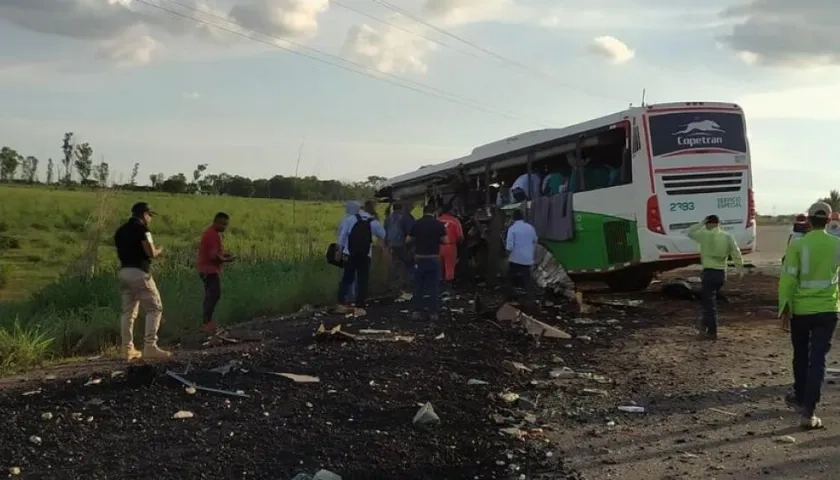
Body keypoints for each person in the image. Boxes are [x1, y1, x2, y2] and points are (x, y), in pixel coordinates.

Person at [779, 202, 840, 429]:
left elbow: (788, 278)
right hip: (828, 309)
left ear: (809, 220)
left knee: (801, 355)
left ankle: (800, 396)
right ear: (829, 221)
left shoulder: (797, 245)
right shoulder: (837, 245)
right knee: (818, 359)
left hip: (802, 310)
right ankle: (809, 411)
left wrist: (784, 307)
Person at [113, 202, 170, 360]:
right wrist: (159, 250)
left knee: (128, 312)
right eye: (150, 215)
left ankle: (127, 349)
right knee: (155, 308)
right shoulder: (143, 230)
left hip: (124, 272)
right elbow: (150, 252)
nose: (150, 218)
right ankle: (150, 346)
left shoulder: (120, 231)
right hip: (139, 272)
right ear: (144, 214)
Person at [686, 214, 744, 340]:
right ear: (719, 223)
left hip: (709, 273)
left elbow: (689, 232)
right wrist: (740, 269)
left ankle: (712, 331)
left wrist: (701, 223)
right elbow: (736, 252)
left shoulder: (703, 235)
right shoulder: (727, 236)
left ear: (708, 223)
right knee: (709, 302)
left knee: (709, 305)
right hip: (721, 274)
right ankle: (703, 328)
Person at [336, 201, 386, 314]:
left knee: (347, 278)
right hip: (365, 255)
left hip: (349, 254)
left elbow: (342, 235)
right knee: (363, 279)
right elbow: (383, 235)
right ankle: (359, 306)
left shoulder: (351, 219)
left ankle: (341, 303)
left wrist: (339, 251)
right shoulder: (373, 222)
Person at [196, 212, 236, 333]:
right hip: (209, 270)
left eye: (226, 224)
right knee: (213, 295)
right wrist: (227, 259)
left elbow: (214, 253)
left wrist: (224, 255)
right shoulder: (212, 235)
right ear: (216, 222)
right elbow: (213, 257)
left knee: (211, 295)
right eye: (223, 224)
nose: (225, 227)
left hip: (206, 269)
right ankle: (207, 322)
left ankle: (207, 322)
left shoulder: (211, 233)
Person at [407, 204, 447, 321]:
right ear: (434, 213)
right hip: (433, 258)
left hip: (419, 258)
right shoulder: (439, 224)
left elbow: (408, 240)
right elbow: (445, 240)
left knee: (418, 286)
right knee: (433, 287)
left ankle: (417, 311)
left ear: (423, 212)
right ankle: (433, 313)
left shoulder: (416, 224)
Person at [505, 209, 538, 304]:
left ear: (513, 218)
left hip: (515, 259)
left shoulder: (512, 229)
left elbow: (509, 246)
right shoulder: (530, 228)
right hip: (527, 259)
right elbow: (535, 240)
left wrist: (507, 255)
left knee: (510, 278)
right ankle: (530, 299)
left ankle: (510, 298)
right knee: (527, 279)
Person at [384, 202, 415, 293]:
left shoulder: (388, 218)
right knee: (409, 265)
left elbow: (385, 233)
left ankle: (396, 286)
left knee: (396, 265)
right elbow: (412, 232)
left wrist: (387, 245)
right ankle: (409, 286)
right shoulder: (406, 217)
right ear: (402, 208)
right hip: (403, 245)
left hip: (392, 245)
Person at [337, 201, 360, 303]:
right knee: (355, 275)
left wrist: (339, 250)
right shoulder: (357, 220)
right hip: (356, 251)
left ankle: (345, 297)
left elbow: (340, 236)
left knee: (346, 275)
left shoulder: (342, 220)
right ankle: (352, 296)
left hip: (344, 251)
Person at [438, 204, 464, 289]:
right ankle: (448, 288)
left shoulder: (437, 220)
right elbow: (460, 237)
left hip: (438, 247)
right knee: (449, 266)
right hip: (450, 246)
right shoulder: (455, 221)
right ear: (450, 210)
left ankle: (439, 287)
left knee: (439, 267)